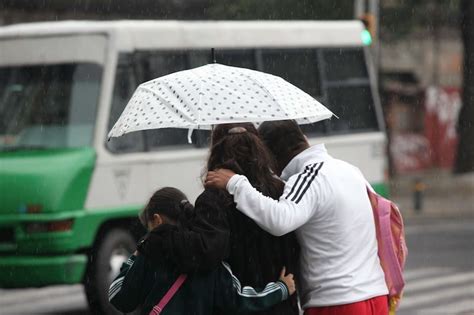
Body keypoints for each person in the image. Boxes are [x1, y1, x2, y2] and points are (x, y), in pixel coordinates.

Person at [205, 120, 389, 315]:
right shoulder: (349, 170)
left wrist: (235, 183)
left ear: (272, 156)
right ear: (304, 139)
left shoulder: (309, 177)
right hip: (375, 295)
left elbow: (280, 220)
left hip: (338, 301)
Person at [137, 123, 300, 315]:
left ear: (216, 150)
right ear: (259, 148)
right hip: (283, 305)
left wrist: (158, 237)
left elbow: (204, 253)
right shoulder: (282, 191)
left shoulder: (213, 200)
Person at [109, 187, 295, 315]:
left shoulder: (149, 255)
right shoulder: (209, 255)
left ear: (157, 220)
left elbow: (119, 298)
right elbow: (238, 300)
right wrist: (280, 289)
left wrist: (134, 257)